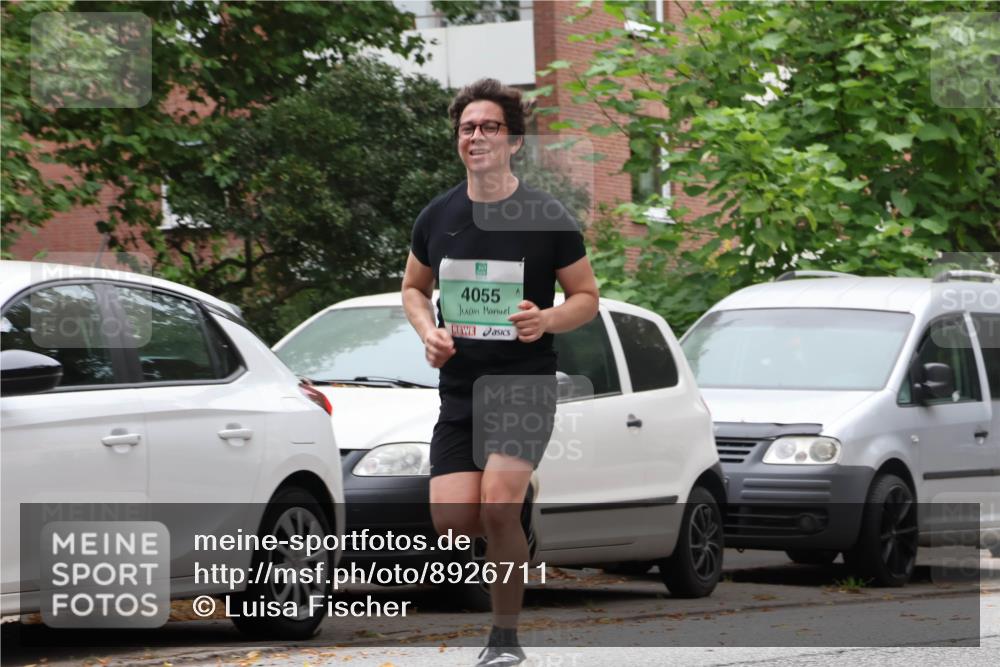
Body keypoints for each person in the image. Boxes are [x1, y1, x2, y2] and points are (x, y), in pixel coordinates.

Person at [401, 78, 599, 666]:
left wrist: (547, 320)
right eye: (468, 128)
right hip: (461, 388)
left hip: (523, 384)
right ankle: (518, 520)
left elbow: (585, 296)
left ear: (513, 141)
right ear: (457, 140)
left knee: (495, 508)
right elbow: (414, 288)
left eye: (490, 127)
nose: (478, 136)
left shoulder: (546, 215)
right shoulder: (438, 215)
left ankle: (503, 640)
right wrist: (428, 333)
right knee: (454, 524)